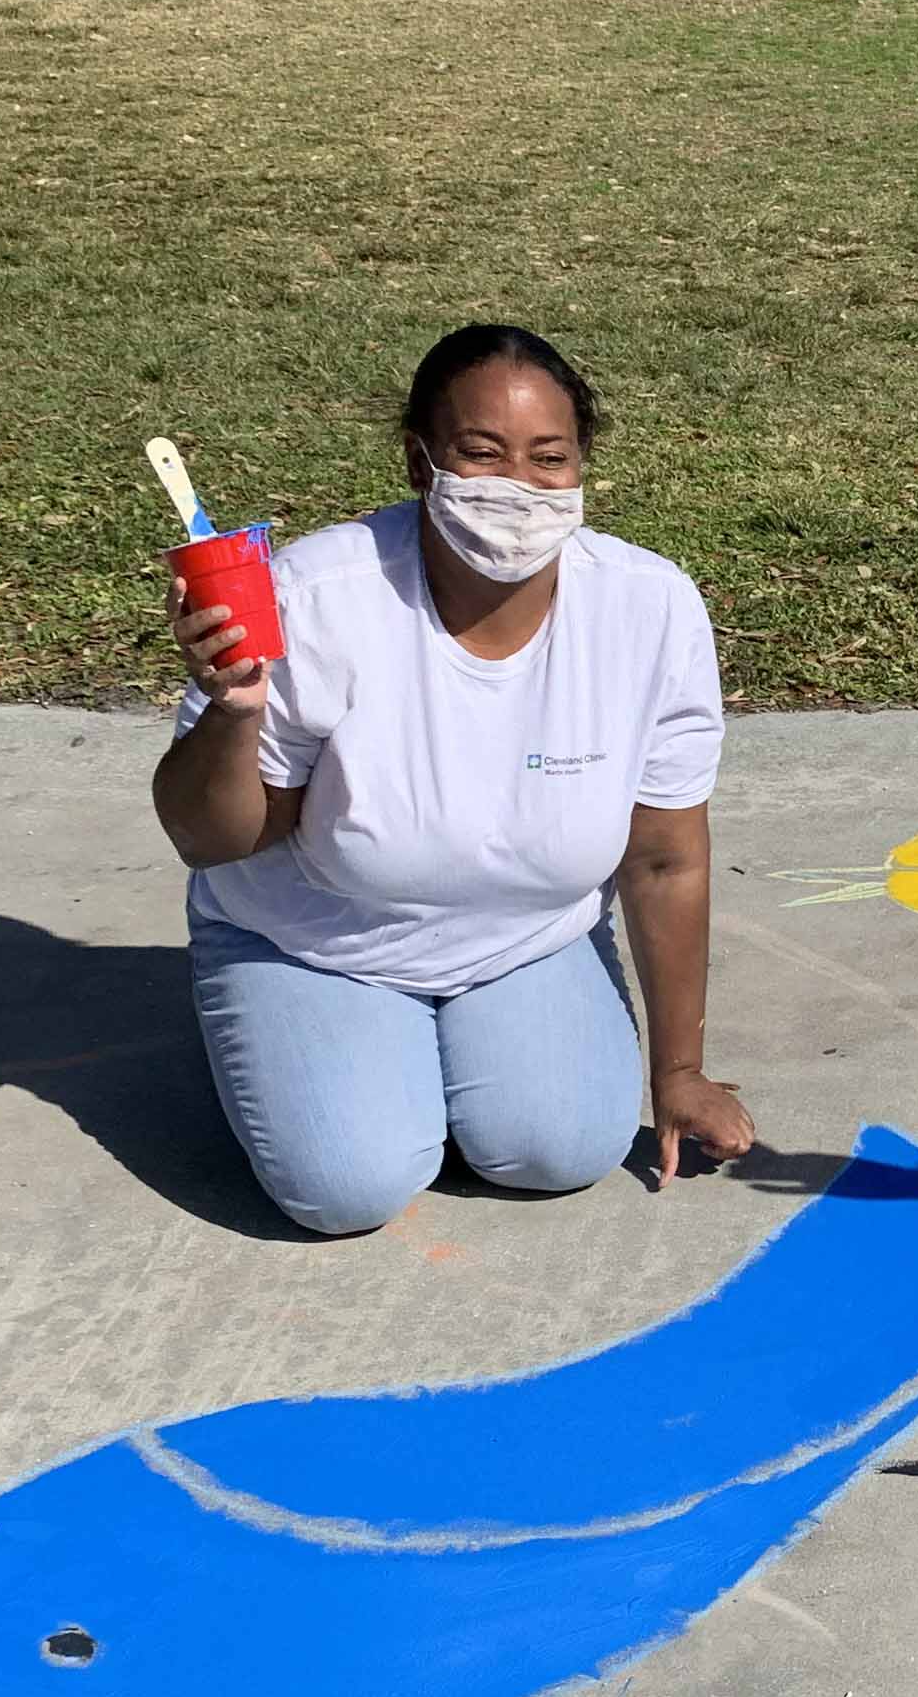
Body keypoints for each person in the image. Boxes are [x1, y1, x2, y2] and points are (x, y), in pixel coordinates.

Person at [155, 323, 757, 1235]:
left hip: (524, 938)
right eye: (481, 453)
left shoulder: (652, 608)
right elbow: (210, 837)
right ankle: (268, 1015)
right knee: (346, 1186)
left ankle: (437, 1047)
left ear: (582, 469)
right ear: (419, 461)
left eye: (549, 458)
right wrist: (235, 712)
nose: (517, 486)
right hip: (320, 940)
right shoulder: (313, 597)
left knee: (563, 1150)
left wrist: (677, 1071)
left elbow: (667, 858)